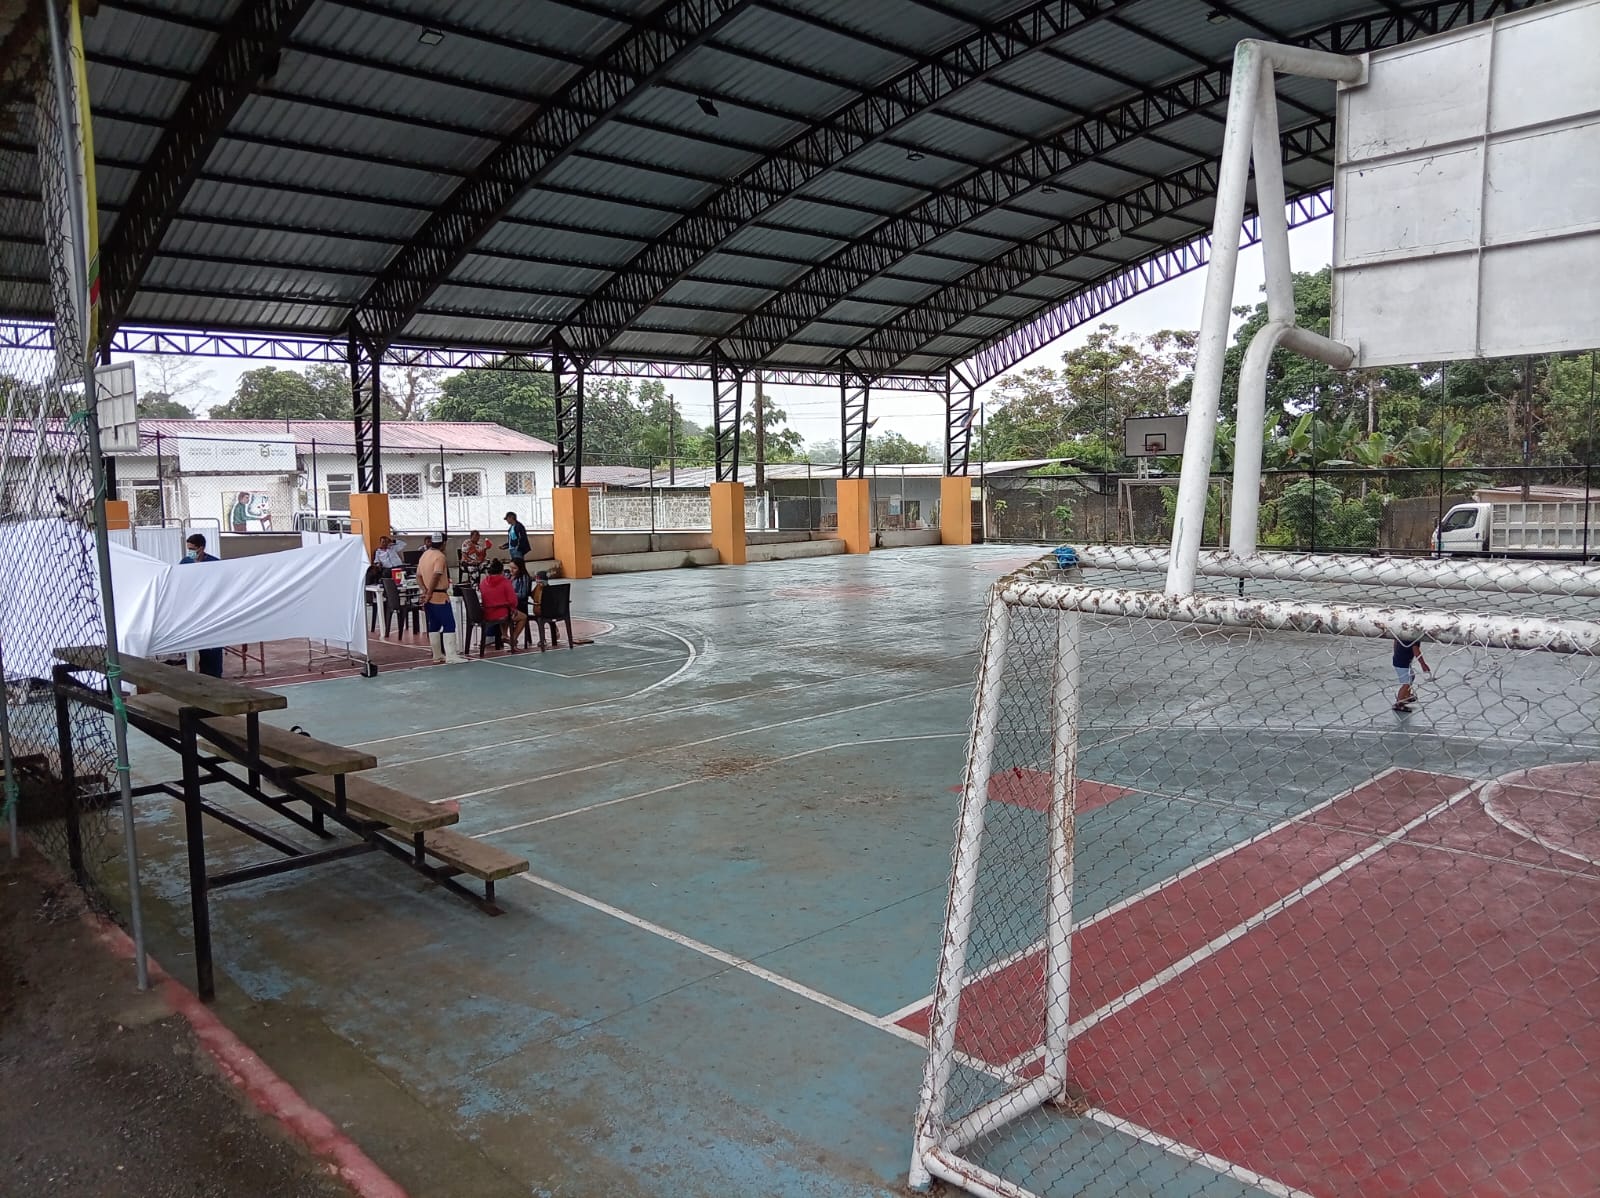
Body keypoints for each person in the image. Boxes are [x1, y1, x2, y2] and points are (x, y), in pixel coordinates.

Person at [179, 534, 225, 678]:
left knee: (214, 647)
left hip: (212, 610)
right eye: (188, 549)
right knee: (201, 646)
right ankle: (203, 675)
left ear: (201, 548)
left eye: (193, 549)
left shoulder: (214, 563)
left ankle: (216, 676)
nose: (190, 552)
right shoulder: (185, 562)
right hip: (194, 610)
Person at [416, 532, 466, 664]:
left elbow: (418, 576)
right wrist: (430, 592)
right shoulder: (440, 556)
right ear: (444, 543)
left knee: (434, 625)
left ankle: (437, 655)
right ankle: (451, 656)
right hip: (439, 596)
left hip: (429, 597)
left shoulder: (424, 555)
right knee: (449, 624)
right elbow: (436, 575)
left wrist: (425, 591)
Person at [478, 560, 527, 651]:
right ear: (501, 571)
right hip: (502, 613)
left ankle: (504, 635)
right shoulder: (505, 582)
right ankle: (513, 639)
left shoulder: (483, 582)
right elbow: (513, 601)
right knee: (523, 617)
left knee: (506, 611)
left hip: (487, 613)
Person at [1392, 635, 1429, 712]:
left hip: (1400, 659)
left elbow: (1395, 642)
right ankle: (1399, 703)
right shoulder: (1415, 636)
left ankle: (1406, 696)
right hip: (1402, 662)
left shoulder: (1402, 633)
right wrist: (1423, 664)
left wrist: (1396, 653)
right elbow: (1416, 650)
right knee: (1406, 683)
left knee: (1411, 677)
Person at [531, 569, 560, 648]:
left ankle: (543, 638)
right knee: (543, 620)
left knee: (542, 619)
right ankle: (546, 636)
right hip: (543, 611)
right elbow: (533, 595)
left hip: (544, 611)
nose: (539, 584)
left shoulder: (546, 589)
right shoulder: (537, 588)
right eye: (538, 582)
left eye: (541, 582)